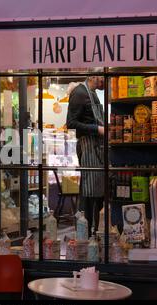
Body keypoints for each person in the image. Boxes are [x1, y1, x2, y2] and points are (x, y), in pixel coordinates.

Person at [66, 76, 105, 237]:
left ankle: (93, 230)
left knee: (97, 190)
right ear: (94, 76)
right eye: (103, 79)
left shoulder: (93, 93)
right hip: (87, 145)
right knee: (89, 191)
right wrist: (97, 129)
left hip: (97, 146)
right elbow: (71, 122)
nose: (105, 82)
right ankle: (85, 233)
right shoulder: (79, 93)